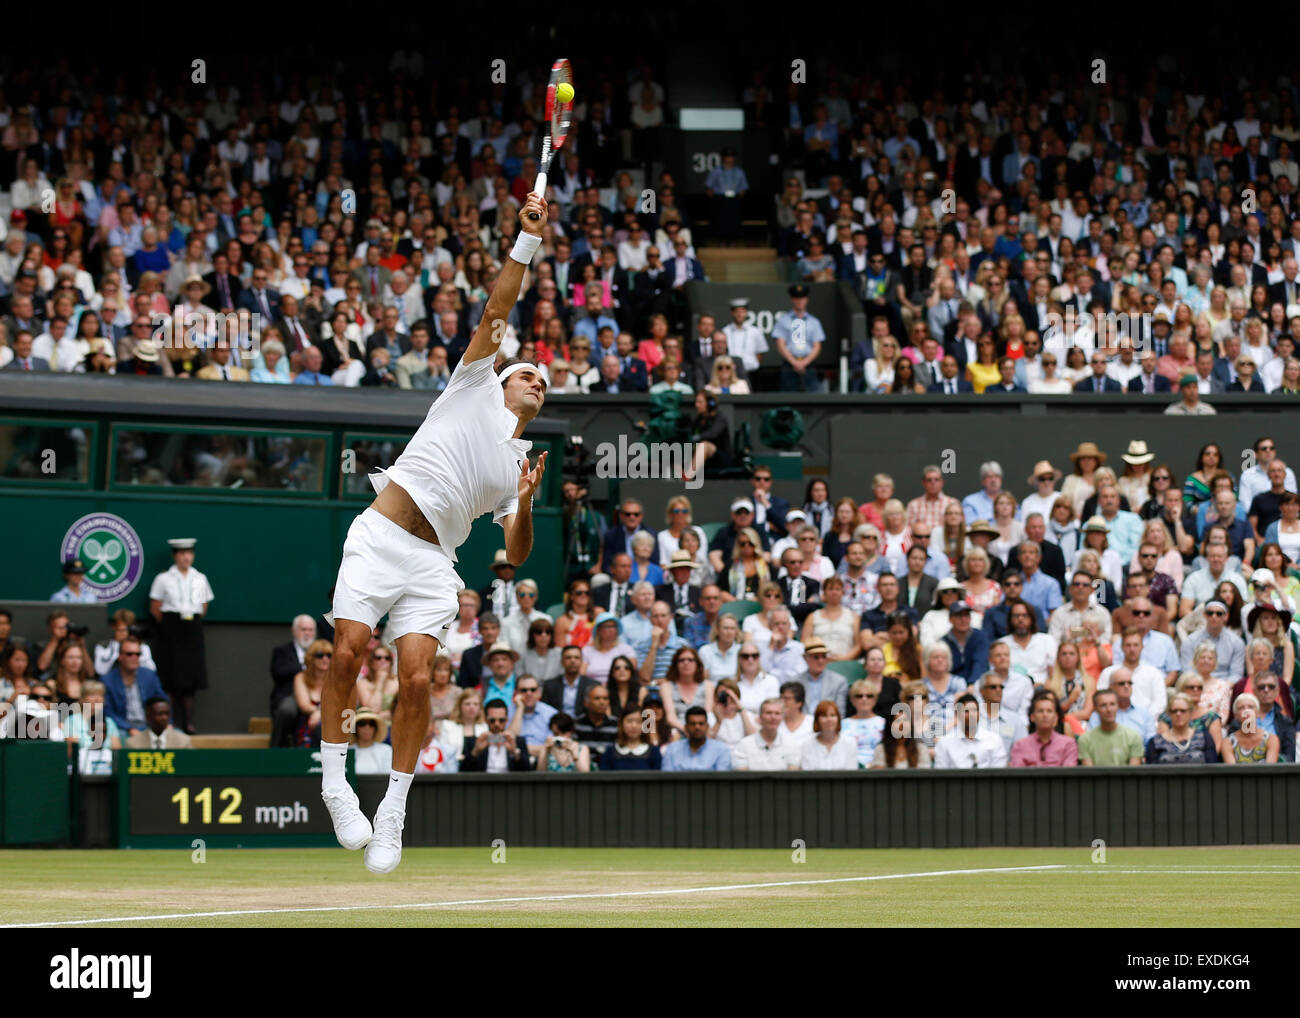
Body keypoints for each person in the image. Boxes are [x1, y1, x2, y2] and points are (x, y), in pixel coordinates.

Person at [319, 194, 552, 873]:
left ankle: (393, 808)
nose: (536, 381)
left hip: (433, 565)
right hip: (381, 535)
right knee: (347, 654)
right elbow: (498, 310)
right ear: (503, 381)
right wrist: (525, 243)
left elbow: (514, 553)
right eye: (528, 374)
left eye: (544, 383)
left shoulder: (521, 469)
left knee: (417, 681)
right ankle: (336, 783)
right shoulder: (472, 382)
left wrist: (529, 504)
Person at [148, 537, 214, 734]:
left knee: (190, 678)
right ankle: (169, 722)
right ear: (175, 556)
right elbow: (155, 608)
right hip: (171, 627)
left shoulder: (200, 578)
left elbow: (203, 606)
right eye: (182, 554)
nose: (186, 557)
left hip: (192, 628)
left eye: (189, 553)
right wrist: (171, 625)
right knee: (170, 677)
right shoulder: (163, 578)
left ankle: (188, 721)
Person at [101, 636, 168, 740]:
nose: (134, 657)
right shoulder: (108, 680)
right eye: (129, 654)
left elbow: (163, 701)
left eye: (137, 654)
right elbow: (108, 712)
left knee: (177, 735)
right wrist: (129, 728)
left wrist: (169, 723)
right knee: (118, 736)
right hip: (122, 728)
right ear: (120, 656)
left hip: (150, 725)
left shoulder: (149, 676)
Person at [934, 693, 1008, 768]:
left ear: (979, 713)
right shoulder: (945, 743)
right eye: (966, 711)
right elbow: (940, 774)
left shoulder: (994, 740)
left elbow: (999, 774)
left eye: (974, 710)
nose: (971, 714)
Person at [1009, 688, 1078, 766]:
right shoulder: (1020, 745)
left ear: (1056, 717)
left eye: (1049, 711)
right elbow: (1018, 774)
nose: (1045, 715)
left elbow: (1069, 774)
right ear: (1032, 717)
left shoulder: (1068, 744)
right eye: (1040, 711)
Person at [1146, 692, 1220, 764]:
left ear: (1191, 712)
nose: (1178, 714)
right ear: (1169, 714)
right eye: (1174, 711)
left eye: (1183, 711)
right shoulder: (1155, 742)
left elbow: (1212, 767)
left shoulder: (1205, 738)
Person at [872, 681, 933, 768]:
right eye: (912, 697)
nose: (918, 700)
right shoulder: (881, 749)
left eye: (922, 697)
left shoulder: (921, 748)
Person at [1076, 688, 1144, 765]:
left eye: (1112, 704)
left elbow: (1133, 773)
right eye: (1103, 705)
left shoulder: (1133, 737)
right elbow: (1088, 774)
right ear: (1095, 709)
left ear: (1118, 706)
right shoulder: (1085, 740)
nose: (1109, 709)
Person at [462, 699, 532, 772]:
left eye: (501, 720)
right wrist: (476, 752)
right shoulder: (474, 742)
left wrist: (515, 752)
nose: (497, 724)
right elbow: (463, 773)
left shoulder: (518, 742)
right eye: (492, 720)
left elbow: (528, 773)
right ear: (485, 720)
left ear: (507, 720)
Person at [731, 697, 800, 770]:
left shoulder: (791, 744)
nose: (773, 717)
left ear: (782, 717)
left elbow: (793, 776)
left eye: (777, 713)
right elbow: (741, 777)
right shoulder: (744, 745)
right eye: (768, 713)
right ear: (760, 717)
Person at [660, 705, 732, 770]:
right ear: (686, 727)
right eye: (692, 724)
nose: (697, 727)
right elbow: (666, 779)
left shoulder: (721, 750)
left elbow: (722, 781)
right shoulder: (672, 749)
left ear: (707, 727)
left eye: (701, 724)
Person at [799, 700, 859, 770]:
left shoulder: (850, 743)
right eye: (824, 716)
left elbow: (851, 773)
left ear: (838, 719)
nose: (829, 719)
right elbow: (807, 773)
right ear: (817, 720)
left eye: (832, 715)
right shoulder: (807, 744)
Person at [1221, 694, 1280, 764]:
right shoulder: (1228, 742)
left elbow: (1270, 770)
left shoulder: (1271, 739)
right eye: (1241, 708)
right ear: (1236, 715)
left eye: (1251, 707)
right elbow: (1232, 772)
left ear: (1258, 713)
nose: (1246, 711)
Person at [122, 695, 191, 750]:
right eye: (159, 714)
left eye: (167, 714)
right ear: (148, 716)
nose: (164, 717)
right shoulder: (133, 743)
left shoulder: (183, 741)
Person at [349, 710, 393, 775]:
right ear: (355, 728)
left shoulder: (386, 750)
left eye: (372, 724)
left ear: (375, 728)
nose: (367, 727)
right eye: (362, 723)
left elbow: (387, 776)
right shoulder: (348, 751)